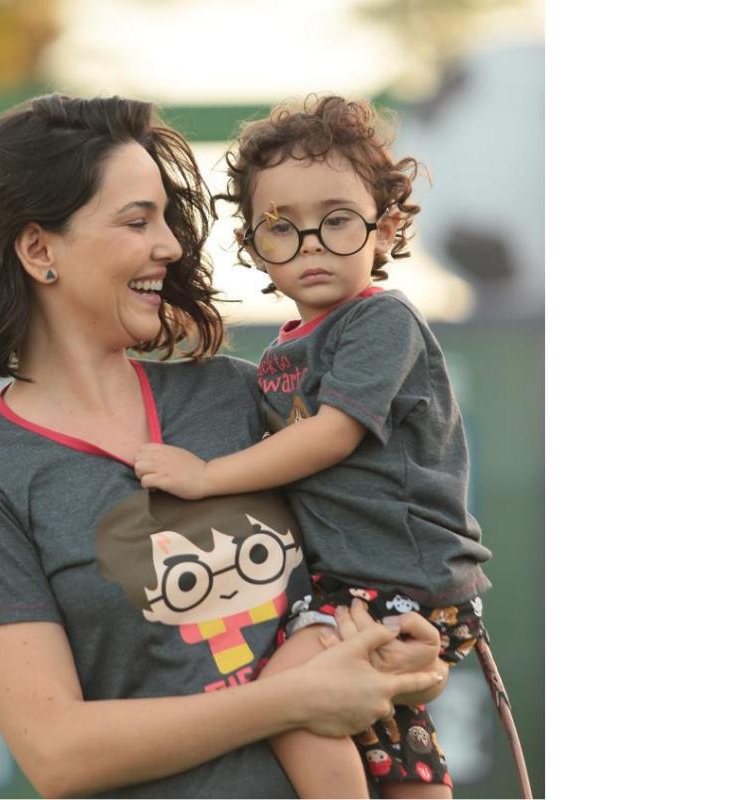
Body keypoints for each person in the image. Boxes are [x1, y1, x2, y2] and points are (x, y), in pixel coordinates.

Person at [0, 93, 449, 799]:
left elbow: (378, 566)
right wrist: (294, 699)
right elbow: (59, 753)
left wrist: (416, 657)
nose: (170, 245)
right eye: (138, 220)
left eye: (167, 219)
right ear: (40, 249)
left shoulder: (245, 396)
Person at [134, 95, 493, 799]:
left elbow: (330, 434)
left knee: (292, 696)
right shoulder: (283, 349)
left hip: (402, 578)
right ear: (253, 247)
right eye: (282, 227)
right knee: (387, 732)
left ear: (385, 229)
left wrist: (205, 477)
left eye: (336, 220)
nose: (311, 244)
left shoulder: (380, 322)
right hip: (351, 582)